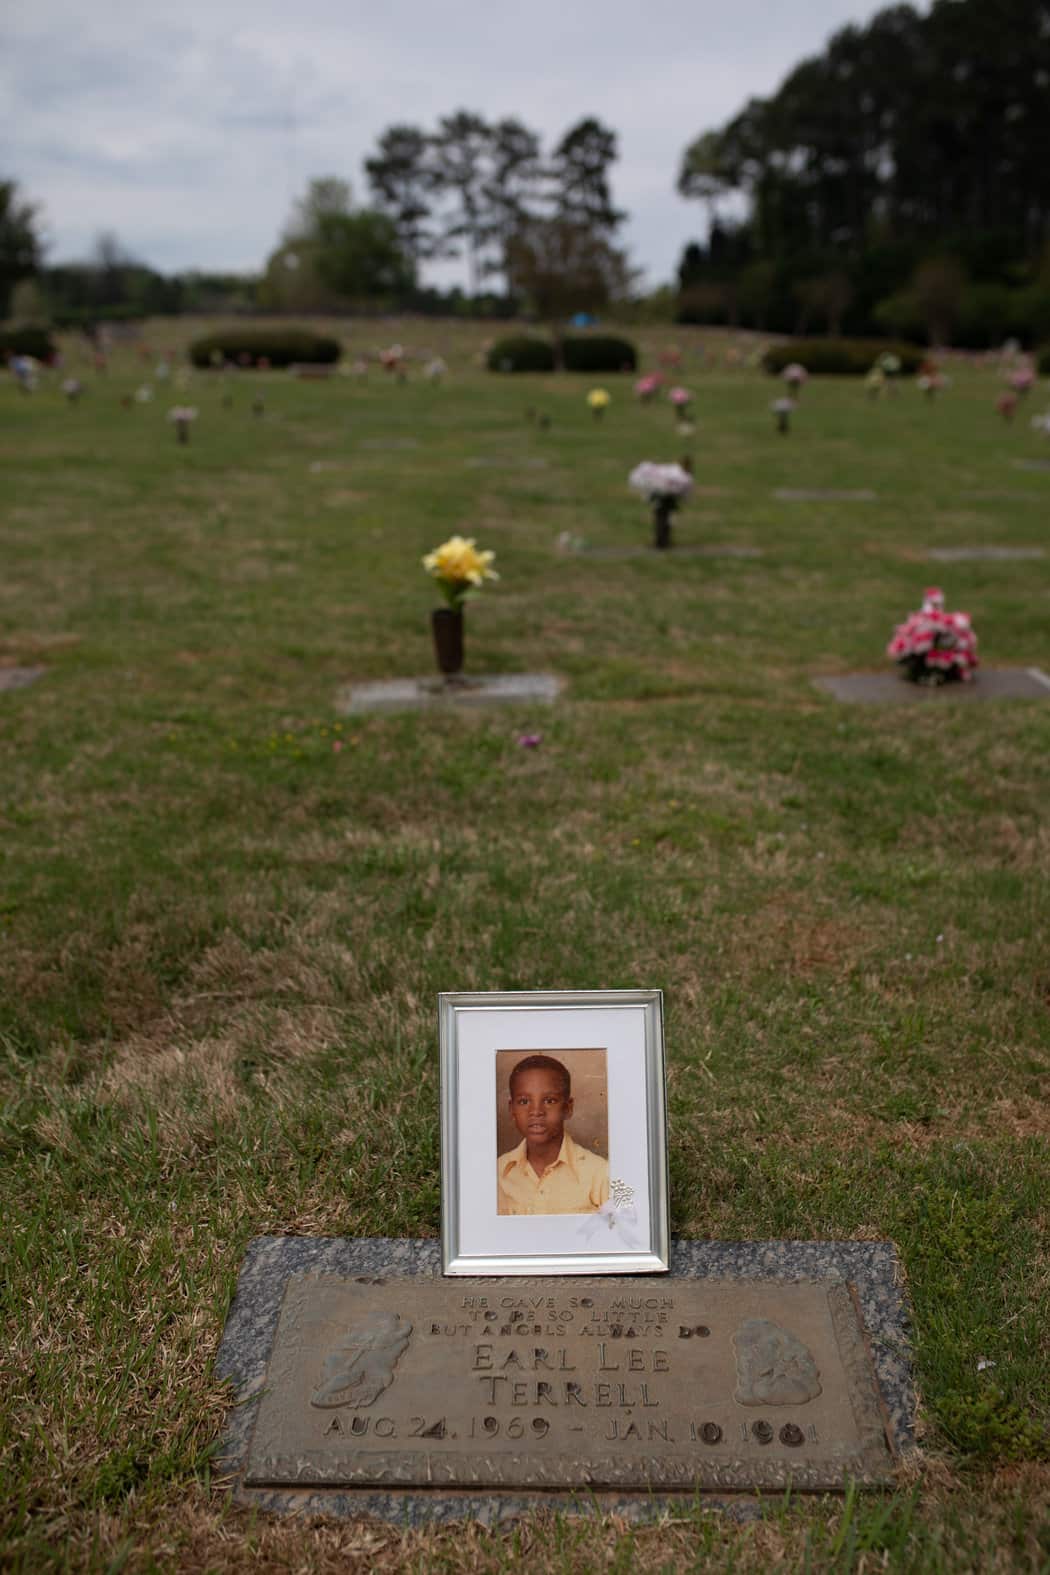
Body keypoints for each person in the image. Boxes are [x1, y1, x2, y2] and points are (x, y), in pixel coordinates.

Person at [497, 1054, 609, 1216]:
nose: (536, 1112)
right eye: (524, 1101)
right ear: (511, 1109)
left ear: (568, 1108)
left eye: (549, 1101)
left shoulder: (600, 1173)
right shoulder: (497, 1173)